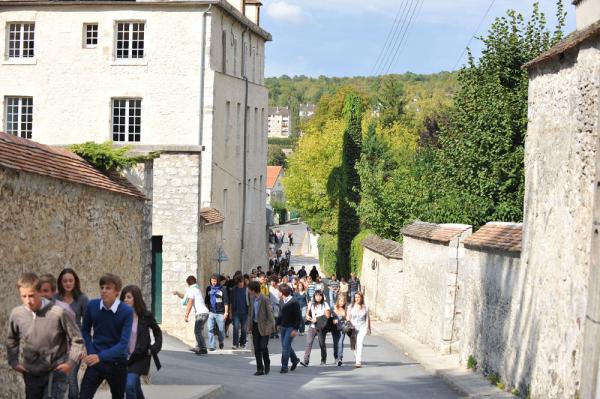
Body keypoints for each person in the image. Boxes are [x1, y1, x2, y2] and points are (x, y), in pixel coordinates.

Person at [7, 272, 84, 399]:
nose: (28, 301)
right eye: (23, 296)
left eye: (31, 296)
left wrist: (70, 363)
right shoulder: (16, 314)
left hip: (55, 373)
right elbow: (12, 339)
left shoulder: (58, 313)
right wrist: (14, 361)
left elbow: (77, 339)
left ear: (39, 292)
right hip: (31, 373)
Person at [80, 273, 134, 399]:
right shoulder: (92, 305)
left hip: (117, 363)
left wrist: (100, 356)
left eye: (108, 288)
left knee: (118, 396)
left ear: (116, 292)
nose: (104, 291)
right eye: (102, 287)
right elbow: (85, 331)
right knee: (84, 396)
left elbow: (123, 344)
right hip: (95, 360)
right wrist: (92, 352)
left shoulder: (126, 312)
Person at [121, 285, 162, 399]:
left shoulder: (145, 315)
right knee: (134, 385)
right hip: (124, 357)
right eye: (124, 297)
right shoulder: (120, 315)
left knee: (129, 385)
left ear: (136, 298)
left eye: (129, 297)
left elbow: (157, 331)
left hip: (141, 357)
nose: (125, 300)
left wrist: (154, 349)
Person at [56, 268, 89, 399]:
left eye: (70, 280)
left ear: (75, 282)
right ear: (60, 283)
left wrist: (85, 345)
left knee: (71, 377)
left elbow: (87, 324)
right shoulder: (55, 298)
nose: (68, 283)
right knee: (58, 379)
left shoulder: (82, 299)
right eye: (65, 281)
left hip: (76, 344)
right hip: (58, 344)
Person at [173, 275, 209, 355]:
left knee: (197, 331)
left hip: (201, 313)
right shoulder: (195, 289)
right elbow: (185, 297)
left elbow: (189, 302)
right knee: (199, 331)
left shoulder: (192, 290)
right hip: (204, 313)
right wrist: (178, 293)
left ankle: (202, 348)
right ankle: (200, 347)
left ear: (188, 283)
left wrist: (186, 315)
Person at [247, 281, 276, 376]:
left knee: (263, 347)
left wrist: (269, 328)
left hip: (264, 327)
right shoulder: (252, 299)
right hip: (255, 326)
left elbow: (270, 315)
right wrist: (250, 326)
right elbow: (250, 313)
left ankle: (267, 363)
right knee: (256, 348)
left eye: (249, 289)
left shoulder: (265, 299)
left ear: (253, 289)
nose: (248, 290)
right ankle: (260, 369)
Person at [301, 290, 330, 367]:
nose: (318, 297)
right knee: (308, 343)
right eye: (317, 295)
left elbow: (327, 315)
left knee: (322, 344)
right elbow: (308, 315)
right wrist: (308, 309)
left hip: (321, 327)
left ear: (322, 297)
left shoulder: (325, 304)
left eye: (320, 295)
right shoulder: (312, 304)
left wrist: (317, 319)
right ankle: (305, 361)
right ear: (314, 296)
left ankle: (323, 360)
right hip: (312, 326)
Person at [277, 284, 302, 373]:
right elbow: (280, 314)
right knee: (285, 345)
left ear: (283, 292)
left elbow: (298, 317)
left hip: (291, 327)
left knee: (285, 346)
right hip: (283, 326)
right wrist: (278, 324)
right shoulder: (281, 300)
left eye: (279, 291)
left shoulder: (294, 302)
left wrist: (295, 329)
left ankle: (284, 366)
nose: (278, 292)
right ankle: (295, 359)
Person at [204, 274, 229, 351]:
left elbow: (226, 301)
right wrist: (206, 310)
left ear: (218, 281)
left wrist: (226, 312)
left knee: (221, 330)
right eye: (212, 281)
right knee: (210, 329)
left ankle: (221, 341)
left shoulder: (223, 289)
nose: (213, 282)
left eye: (214, 281)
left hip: (220, 313)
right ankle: (212, 345)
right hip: (211, 312)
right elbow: (207, 300)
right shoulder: (209, 288)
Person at [349, 292, 371, 368]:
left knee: (359, 343)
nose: (357, 298)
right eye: (355, 297)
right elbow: (348, 317)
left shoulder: (365, 307)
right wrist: (349, 324)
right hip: (353, 327)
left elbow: (367, 318)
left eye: (358, 297)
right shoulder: (351, 306)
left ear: (361, 298)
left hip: (362, 327)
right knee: (354, 344)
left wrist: (368, 328)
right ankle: (357, 357)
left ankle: (358, 361)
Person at [231, 276, 249, 349]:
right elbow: (231, 302)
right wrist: (230, 312)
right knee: (235, 328)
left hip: (245, 312)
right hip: (236, 312)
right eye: (239, 283)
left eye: (242, 282)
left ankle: (242, 343)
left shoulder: (247, 290)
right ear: (237, 283)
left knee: (244, 329)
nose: (241, 284)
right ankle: (235, 344)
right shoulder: (234, 290)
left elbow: (250, 301)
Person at [331, 294, 348, 366]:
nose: (342, 303)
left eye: (343, 301)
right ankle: (336, 357)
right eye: (341, 301)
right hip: (335, 329)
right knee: (335, 344)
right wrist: (333, 320)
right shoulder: (334, 308)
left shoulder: (346, 309)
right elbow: (330, 317)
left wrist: (347, 320)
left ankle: (340, 358)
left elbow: (348, 319)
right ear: (338, 301)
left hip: (342, 328)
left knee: (340, 343)